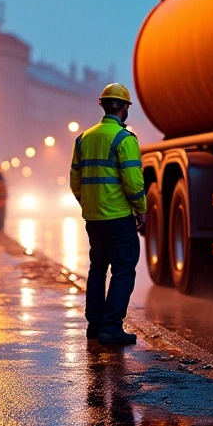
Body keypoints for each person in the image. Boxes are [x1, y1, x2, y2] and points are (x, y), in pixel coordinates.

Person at [69, 83, 147, 345]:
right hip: (118, 218)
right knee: (123, 270)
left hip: (94, 220)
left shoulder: (83, 138)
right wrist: (142, 211)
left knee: (97, 269)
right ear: (125, 108)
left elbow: (75, 182)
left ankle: (95, 325)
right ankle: (112, 327)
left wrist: (87, 204)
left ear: (102, 105)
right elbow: (134, 182)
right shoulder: (125, 139)